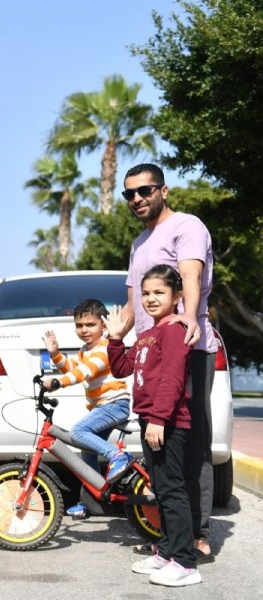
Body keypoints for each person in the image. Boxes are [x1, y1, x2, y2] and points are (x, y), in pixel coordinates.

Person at [119, 163, 217, 564]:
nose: (138, 199)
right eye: (130, 194)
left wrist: (189, 316)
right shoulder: (140, 243)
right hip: (149, 352)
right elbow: (130, 305)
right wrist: (108, 337)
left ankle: (197, 535)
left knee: (190, 442)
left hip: (185, 346)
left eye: (145, 190)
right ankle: (172, 537)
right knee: (160, 452)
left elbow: (190, 277)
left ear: (164, 190)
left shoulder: (187, 225)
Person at [107, 264, 200, 587]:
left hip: (169, 422)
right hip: (151, 419)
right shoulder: (148, 334)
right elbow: (121, 368)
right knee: (160, 489)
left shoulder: (174, 330)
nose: (150, 298)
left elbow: (173, 378)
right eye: (145, 293)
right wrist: (116, 338)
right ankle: (166, 551)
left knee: (173, 491)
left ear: (176, 297)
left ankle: (186, 563)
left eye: (159, 292)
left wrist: (159, 419)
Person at [41, 298, 132, 519]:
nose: (84, 330)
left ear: (103, 325)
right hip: (102, 406)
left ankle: (118, 456)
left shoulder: (105, 348)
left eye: (90, 325)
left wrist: (58, 383)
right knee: (87, 453)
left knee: (78, 432)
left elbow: (85, 372)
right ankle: (92, 501)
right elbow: (73, 368)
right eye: (79, 325)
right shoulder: (85, 350)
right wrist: (55, 354)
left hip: (114, 404)